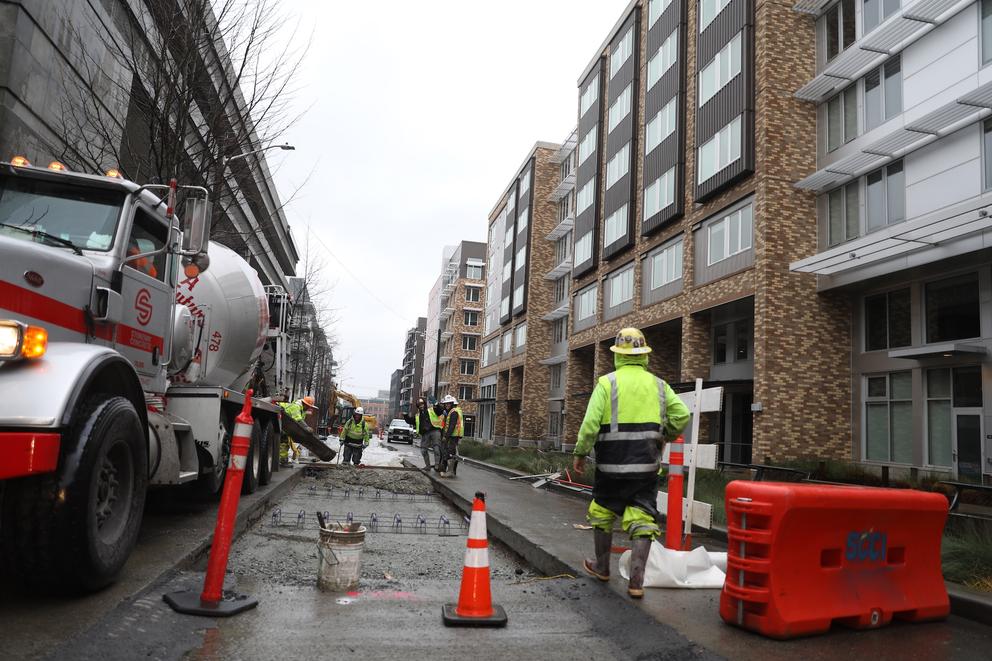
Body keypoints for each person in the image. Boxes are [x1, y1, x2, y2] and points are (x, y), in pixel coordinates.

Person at [573, 327, 690, 598]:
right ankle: (636, 582)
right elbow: (682, 414)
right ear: (644, 355)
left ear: (617, 355)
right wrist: (666, 434)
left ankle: (602, 567)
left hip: (610, 466)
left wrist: (580, 452)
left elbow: (590, 424)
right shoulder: (659, 385)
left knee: (602, 511)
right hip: (646, 467)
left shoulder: (607, 383)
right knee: (642, 517)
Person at [403, 396, 444, 471]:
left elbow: (440, 411)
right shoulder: (418, 415)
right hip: (425, 434)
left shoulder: (432, 410)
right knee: (423, 450)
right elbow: (409, 421)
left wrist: (436, 403)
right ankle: (428, 466)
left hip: (435, 430)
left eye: (422, 403)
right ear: (418, 406)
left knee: (436, 448)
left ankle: (437, 466)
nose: (421, 405)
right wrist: (405, 414)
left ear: (424, 404)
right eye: (419, 404)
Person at [277, 396, 318, 464]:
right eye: (308, 406)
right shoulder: (296, 407)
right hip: (280, 418)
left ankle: (282, 460)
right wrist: (307, 427)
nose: (309, 408)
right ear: (304, 404)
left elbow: (298, 423)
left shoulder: (302, 410)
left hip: (284, 422)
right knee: (284, 441)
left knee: (284, 441)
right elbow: (298, 420)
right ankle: (282, 460)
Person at [438, 395, 464, 477]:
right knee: (451, 453)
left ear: (452, 404)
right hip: (454, 435)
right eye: (446, 404)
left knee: (450, 453)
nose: (447, 405)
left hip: (453, 436)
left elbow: (452, 426)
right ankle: (451, 471)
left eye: (448, 404)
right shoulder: (452, 412)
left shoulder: (453, 412)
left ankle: (450, 472)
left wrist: (446, 436)